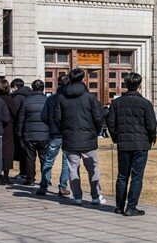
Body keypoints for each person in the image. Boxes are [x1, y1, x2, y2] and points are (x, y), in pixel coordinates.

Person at [106, 72, 157, 216]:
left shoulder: (116, 103)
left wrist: (116, 137)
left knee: (122, 175)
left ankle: (119, 206)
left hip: (124, 143)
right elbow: (151, 124)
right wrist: (152, 138)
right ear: (139, 86)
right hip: (140, 144)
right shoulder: (145, 103)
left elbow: (110, 122)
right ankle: (131, 206)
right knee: (137, 176)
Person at [55, 68, 105, 206]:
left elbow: (57, 119)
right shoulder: (90, 97)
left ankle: (77, 197)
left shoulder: (62, 97)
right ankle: (96, 196)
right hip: (88, 138)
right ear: (83, 79)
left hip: (70, 138)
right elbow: (98, 117)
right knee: (93, 168)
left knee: (73, 168)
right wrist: (96, 131)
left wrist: (65, 131)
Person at [36, 75, 70, 197]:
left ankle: (43, 186)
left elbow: (43, 116)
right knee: (66, 162)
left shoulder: (51, 99)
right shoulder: (69, 99)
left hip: (54, 133)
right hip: (66, 133)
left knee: (48, 160)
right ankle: (63, 186)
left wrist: (51, 124)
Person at [17, 80, 49, 186]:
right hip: (44, 134)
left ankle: (30, 179)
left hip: (29, 134)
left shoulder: (26, 101)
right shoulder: (47, 101)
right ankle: (46, 179)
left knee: (30, 158)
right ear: (43, 88)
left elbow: (20, 119)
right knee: (44, 158)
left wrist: (20, 134)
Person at [0, 79, 16, 185]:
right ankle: (5, 175)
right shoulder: (9, 99)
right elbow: (15, 113)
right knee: (7, 151)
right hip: (8, 128)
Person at [11, 78, 31, 180]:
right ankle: (27, 173)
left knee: (23, 152)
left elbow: (16, 115)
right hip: (29, 127)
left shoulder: (16, 98)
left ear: (14, 87)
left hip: (20, 127)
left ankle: (23, 172)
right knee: (28, 153)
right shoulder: (29, 95)